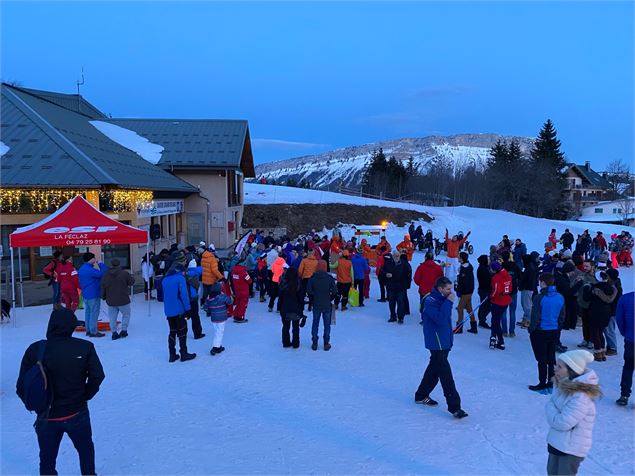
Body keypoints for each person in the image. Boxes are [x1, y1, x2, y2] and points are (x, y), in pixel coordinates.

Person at [16, 308, 105, 476]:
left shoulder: (35, 350)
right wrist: (85, 396)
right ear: (71, 326)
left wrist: (38, 405)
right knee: (85, 450)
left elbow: (21, 386)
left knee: (47, 459)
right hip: (77, 412)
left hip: (46, 415)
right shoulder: (85, 347)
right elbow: (98, 376)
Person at [414, 276, 468, 419]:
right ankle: (455, 407)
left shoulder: (442, 299)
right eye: (448, 289)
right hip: (436, 344)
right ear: (440, 289)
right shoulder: (430, 301)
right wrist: (449, 302)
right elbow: (440, 319)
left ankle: (421, 395)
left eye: (451, 288)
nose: (451, 292)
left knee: (434, 369)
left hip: (444, 341)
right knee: (446, 375)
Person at [545, 350, 599, 476]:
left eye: (559, 367)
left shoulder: (581, 396)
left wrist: (550, 407)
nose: (555, 369)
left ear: (571, 371)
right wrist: (553, 408)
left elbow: (562, 422)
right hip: (557, 442)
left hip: (571, 449)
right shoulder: (562, 385)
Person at [528, 273, 565, 392]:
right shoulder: (560, 297)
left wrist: (531, 329)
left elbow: (535, 316)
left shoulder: (539, 297)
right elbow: (562, 315)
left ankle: (542, 382)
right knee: (551, 358)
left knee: (541, 359)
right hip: (554, 330)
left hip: (540, 331)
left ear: (543, 282)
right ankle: (551, 381)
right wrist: (558, 326)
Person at [162, 263, 196, 362]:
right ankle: (184, 353)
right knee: (182, 330)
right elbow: (184, 295)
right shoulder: (180, 279)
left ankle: (172, 354)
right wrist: (188, 309)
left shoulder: (165, 280)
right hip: (179, 310)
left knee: (172, 331)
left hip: (168, 311)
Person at [584, 270, 617, 361]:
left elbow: (586, 298)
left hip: (595, 312)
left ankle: (598, 353)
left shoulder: (595, 288)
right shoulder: (611, 288)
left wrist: (587, 288)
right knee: (600, 332)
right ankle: (602, 352)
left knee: (595, 333)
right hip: (606, 313)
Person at [100, 258, 135, 340]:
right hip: (123, 299)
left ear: (111, 265)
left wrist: (103, 296)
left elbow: (103, 286)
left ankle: (114, 333)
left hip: (111, 300)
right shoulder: (124, 273)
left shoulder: (105, 275)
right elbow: (131, 282)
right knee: (126, 315)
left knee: (112, 317)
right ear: (119, 264)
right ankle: (124, 330)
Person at [307, 260, 337, 351]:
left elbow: (309, 291)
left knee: (315, 323)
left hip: (316, 304)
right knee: (327, 324)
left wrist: (312, 300)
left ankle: (315, 342)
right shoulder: (329, 278)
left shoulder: (312, 278)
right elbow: (335, 291)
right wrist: (330, 299)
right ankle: (326, 343)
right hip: (327, 304)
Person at [77, 252, 106, 338]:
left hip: (86, 294)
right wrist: (101, 264)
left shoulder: (82, 268)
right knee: (94, 313)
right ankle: (93, 331)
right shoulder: (90, 270)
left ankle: (88, 330)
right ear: (91, 259)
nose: (95, 259)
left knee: (88, 312)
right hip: (93, 293)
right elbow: (102, 274)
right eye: (94, 258)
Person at [570, 260, 597, 350]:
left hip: (592, 304)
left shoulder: (596, 276)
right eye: (584, 266)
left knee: (592, 323)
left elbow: (596, 286)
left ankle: (592, 340)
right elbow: (573, 286)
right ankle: (585, 339)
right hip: (582, 303)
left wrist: (585, 282)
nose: (585, 268)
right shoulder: (582, 275)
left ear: (592, 266)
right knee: (585, 323)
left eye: (587, 266)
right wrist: (577, 281)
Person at [615, 291, 634, 405]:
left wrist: (624, 332)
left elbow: (619, 318)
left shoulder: (625, 298)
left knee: (628, 367)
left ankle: (624, 394)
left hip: (631, 338)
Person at [205, 282, 233, 355]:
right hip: (222, 317)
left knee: (217, 331)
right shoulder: (222, 296)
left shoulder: (209, 297)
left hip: (214, 318)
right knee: (220, 332)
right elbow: (229, 302)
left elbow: (206, 307)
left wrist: (209, 310)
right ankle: (215, 347)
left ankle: (218, 345)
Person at [489, 261, 512, 350]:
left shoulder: (496, 277)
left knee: (495, 321)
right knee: (496, 320)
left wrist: (491, 296)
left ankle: (500, 340)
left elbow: (496, 290)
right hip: (506, 300)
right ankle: (494, 338)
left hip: (498, 301)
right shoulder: (507, 275)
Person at [279, 267, 303, 348]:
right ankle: (295, 343)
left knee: (285, 327)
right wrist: (301, 308)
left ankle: (286, 342)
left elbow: (280, 298)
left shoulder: (283, 284)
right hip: (296, 309)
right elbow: (301, 298)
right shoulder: (298, 284)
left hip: (285, 309)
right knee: (296, 327)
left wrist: (279, 307)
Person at [501, 251, 521, 337]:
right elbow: (520, 276)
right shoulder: (514, 265)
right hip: (513, 290)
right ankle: (512, 331)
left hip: (504, 291)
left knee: (503, 312)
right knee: (512, 311)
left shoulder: (501, 266)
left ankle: (504, 331)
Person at [455, 252, 475, 334]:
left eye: (459, 257)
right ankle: (474, 326)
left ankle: (459, 327)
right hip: (469, 290)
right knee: (469, 308)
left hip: (466, 292)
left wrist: (458, 290)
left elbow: (463, 283)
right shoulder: (467, 266)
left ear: (462, 259)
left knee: (460, 308)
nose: (457, 257)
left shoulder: (464, 270)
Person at [603, 268, 622, 356]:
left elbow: (613, 300)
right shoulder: (614, 284)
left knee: (609, 330)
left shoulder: (615, 287)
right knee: (608, 329)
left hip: (611, 311)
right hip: (610, 311)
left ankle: (613, 348)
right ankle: (610, 346)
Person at [186, 260, 206, 338]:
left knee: (185, 316)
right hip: (194, 297)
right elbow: (201, 269)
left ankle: (181, 331)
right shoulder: (197, 272)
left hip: (187, 297)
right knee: (195, 316)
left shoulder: (185, 274)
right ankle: (197, 333)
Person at [231, 257, 251, 323]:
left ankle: (236, 315)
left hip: (237, 289)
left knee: (238, 303)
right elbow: (249, 281)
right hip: (244, 290)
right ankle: (240, 317)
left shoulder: (234, 269)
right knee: (243, 304)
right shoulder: (243, 271)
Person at [519, 254, 537, 329]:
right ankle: (525, 319)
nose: (521, 261)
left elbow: (526, 279)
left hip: (528, 288)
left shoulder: (530, 268)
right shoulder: (528, 267)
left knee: (527, 306)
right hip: (526, 288)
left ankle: (529, 321)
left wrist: (521, 285)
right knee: (524, 304)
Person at [476, 255, 492, 329]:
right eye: (488, 259)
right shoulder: (483, 269)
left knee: (485, 305)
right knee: (485, 306)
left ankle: (482, 319)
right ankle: (482, 320)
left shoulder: (484, 268)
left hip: (483, 289)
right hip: (484, 290)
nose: (489, 260)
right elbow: (487, 280)